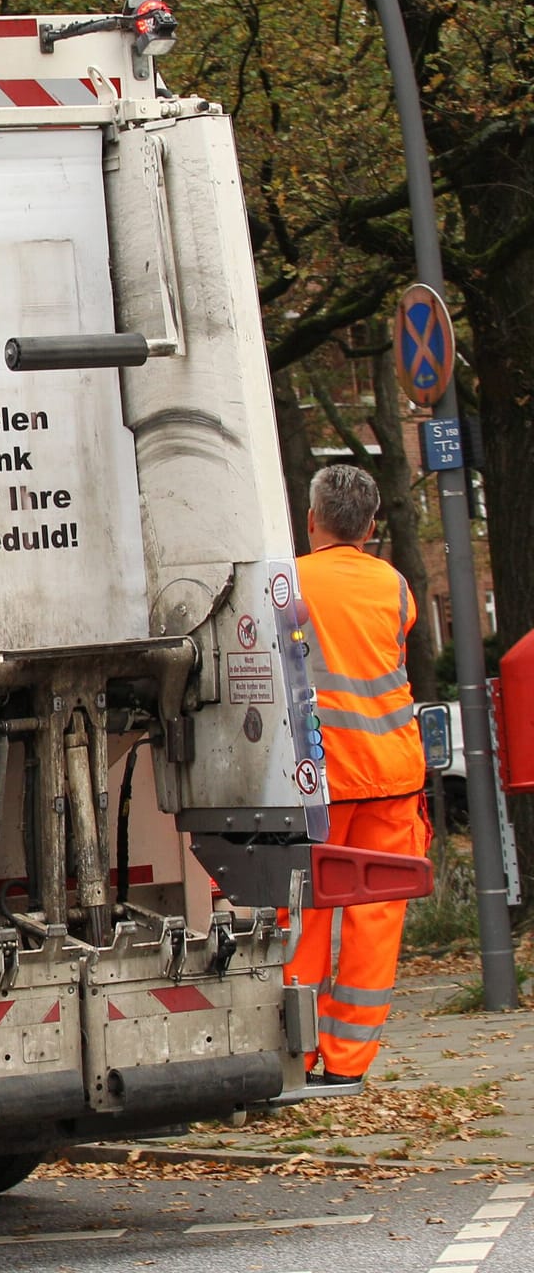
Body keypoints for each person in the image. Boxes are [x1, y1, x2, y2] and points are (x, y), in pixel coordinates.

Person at [285, 464, 431, 1083]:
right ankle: (348, 1063)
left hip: (321, 779)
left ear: (312, 519)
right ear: (371, 527)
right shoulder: (396, 586)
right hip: (393, 773)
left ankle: (298, 1050)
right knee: (378, 918)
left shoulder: (287, 581)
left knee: (306, 913)